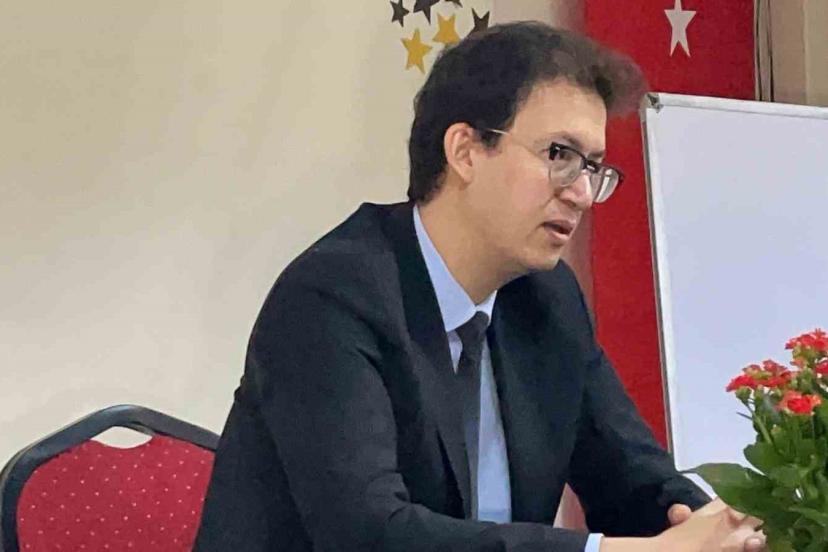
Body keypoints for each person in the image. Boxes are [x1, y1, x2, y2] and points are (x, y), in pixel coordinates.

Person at [194, 22, 765, 552]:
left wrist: (720, 530)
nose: (581, 194)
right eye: (559, 155)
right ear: (465, 151)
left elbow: (634, 478)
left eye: (593, 168)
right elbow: (368, 533)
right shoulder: (331, 297)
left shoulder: (548, 300)